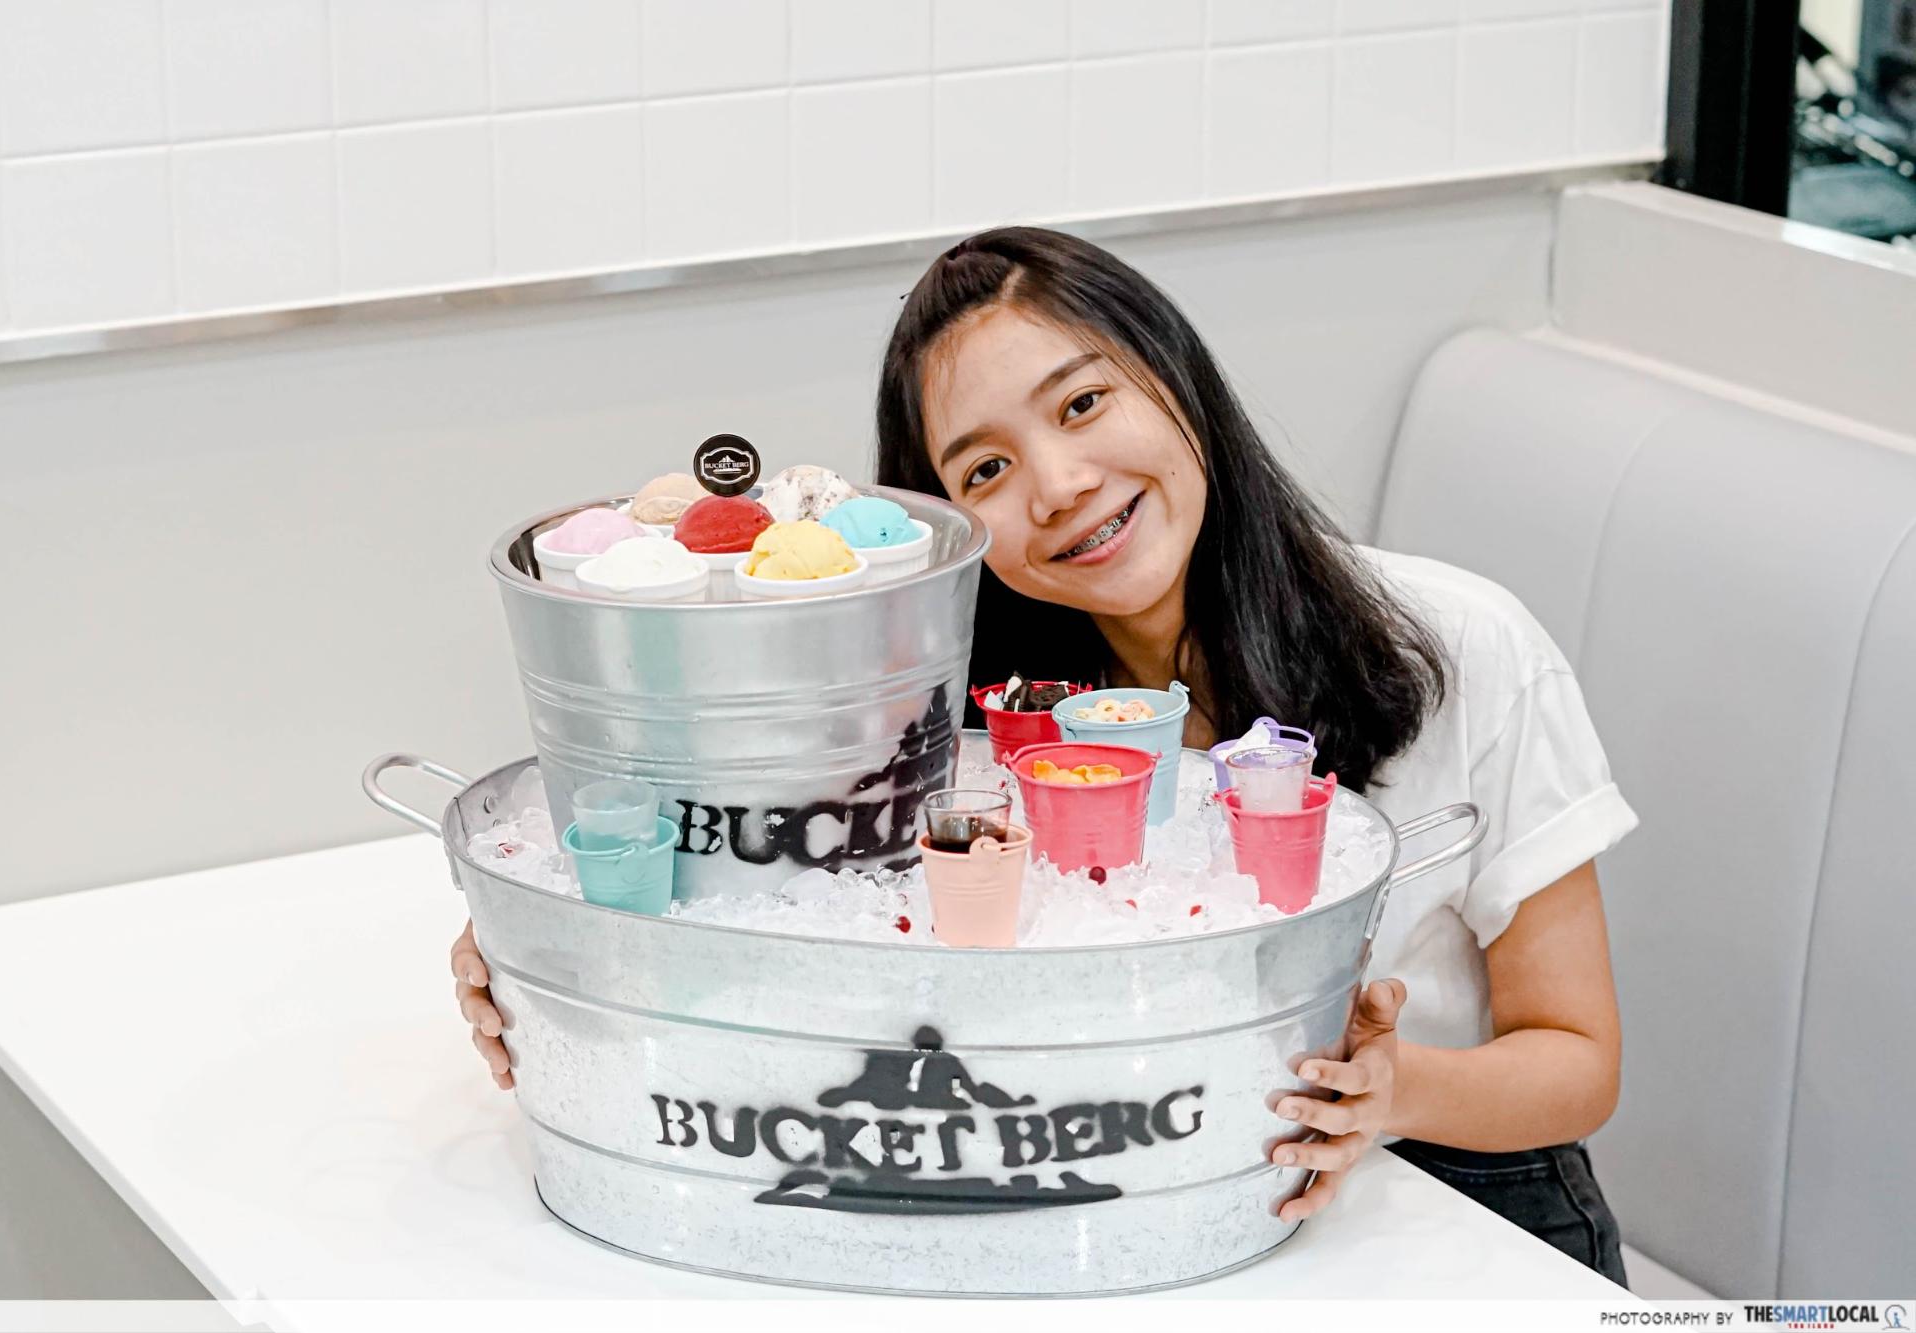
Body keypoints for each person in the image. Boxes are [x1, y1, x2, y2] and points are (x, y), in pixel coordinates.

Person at [451, 227, 1637, 1284]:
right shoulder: (957, 735)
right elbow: (779, 902)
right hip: (1139, 1217)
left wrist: (1392, 1089)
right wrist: (555, 953)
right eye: (985, 470)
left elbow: (1577, 1059)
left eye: (1079, 406)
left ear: (1176, 380)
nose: (1060, 489)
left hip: (1454, 1205)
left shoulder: (1456, 642)